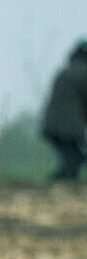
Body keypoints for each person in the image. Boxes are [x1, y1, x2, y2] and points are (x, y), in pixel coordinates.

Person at [40, 41, 87, 182]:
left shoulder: (65, 72)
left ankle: (56, 183)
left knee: (72, 159)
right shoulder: (83, 73)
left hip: (52, 125)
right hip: (68, 127)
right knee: (74, 160)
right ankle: (60, 186)